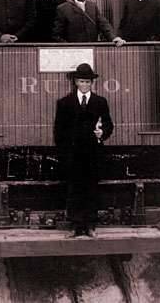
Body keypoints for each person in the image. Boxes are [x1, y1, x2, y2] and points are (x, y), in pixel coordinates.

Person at [54, 63, 114, 237]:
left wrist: (102, 133)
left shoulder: (100, 102)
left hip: (92, 154)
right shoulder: (64, 103)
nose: (85, 85)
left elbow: (109, 124)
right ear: (76, 82)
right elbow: (59, 131)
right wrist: (63, 154)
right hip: (73, 155)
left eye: (88, 82)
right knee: (74, 190)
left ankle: (90, 226)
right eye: (82, 81)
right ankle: (75, 226)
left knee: (92, 190)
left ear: (92, 83)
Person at [52, 0, 125, 45]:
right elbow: (57, 35)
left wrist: (113, 38)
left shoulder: (93, 7)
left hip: (92, 51)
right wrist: (70, 48)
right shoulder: (63, 9)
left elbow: (104, 26)